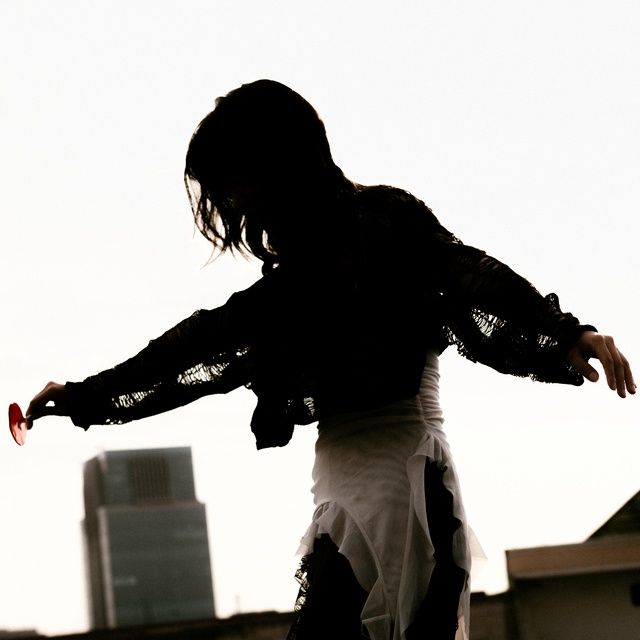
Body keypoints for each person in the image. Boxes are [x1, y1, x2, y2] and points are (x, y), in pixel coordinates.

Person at [27, 80, 634, 640]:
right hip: (341, 491)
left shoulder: (385, 223)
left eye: (237, 178)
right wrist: (82, 396)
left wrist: (567, 334)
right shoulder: (287, 289)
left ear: (277, 163)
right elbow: (189, 352)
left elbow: (470, 275)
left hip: (404, 482)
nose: (233, 199)